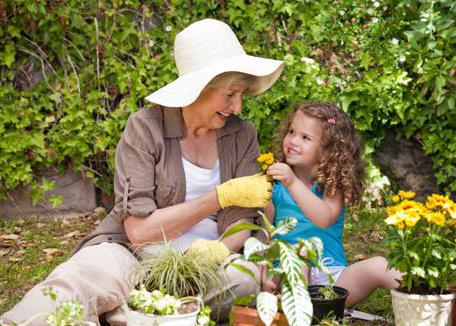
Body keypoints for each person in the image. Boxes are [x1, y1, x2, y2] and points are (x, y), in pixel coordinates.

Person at [1, 18, 284, 325]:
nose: (238, 106)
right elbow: (139, 231)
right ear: (199, 87)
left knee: (246, 280)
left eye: (241, 94)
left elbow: (242, 222)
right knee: (77, 281)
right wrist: (217, 198)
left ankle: (130, 310)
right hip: (133, 253)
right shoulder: (145, 128)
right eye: (230, 94)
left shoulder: (243, 135)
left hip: (207, 265)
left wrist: (214, 252)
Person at [264, 102, 402, 307]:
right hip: (289, 275)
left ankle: (429, 295)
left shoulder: (331, 183)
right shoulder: (274, 185)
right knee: (298, 254)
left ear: (328, 149)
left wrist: (292, 182)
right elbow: (263, 232)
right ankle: (301, 315)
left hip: (333, 281)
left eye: (305, 137)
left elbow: (324, 217)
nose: (293, 140)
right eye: (291, 131)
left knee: (380, 266)